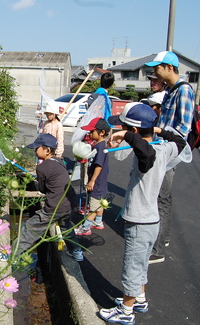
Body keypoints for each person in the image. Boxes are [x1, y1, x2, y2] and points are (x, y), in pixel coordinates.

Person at [99, 102, 187, 324]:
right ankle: (139, 298)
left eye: (125, 128)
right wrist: (158, 130)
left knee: (131, 267)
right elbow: (181, 141)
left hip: (139, 222)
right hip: (152, 221)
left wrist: (126, 136)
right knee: (141, 264)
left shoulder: (145, 156)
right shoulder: (164, 148)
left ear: (135, 132)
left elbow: (145, 153)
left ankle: (126, 312)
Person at [145, 51, 194, 264]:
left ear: (169, 68)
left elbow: (183, 128)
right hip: (162, 149)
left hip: (170, 152)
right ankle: (162, 239)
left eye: (157, 68)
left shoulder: (183, 91)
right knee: (161, 197)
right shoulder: (170, 91)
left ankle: (158, 250)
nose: (154, 72)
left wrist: (160, 133)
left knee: (161, 198)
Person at [14, 133, 83, 262]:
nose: (35, 151)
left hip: (54, 207)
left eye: (37, 148)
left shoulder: (42, 167)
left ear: (47, 150)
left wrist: (40, 179)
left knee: (30, 228)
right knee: (66, 227)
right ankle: (76, 251)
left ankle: (13, 254)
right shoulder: (59, 161)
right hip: (68, 203)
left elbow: (42, 190)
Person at [75, 118, 110, 235]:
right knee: (99, 203)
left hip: (97, 181)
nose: (90, 134)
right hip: (100, 182)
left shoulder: (100, 148)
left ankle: (85, 228)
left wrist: (92, 181)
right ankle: (98, 222)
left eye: (92, 131)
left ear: (102, 133)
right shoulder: (98, 145)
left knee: (93, 207)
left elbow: (99, 165)